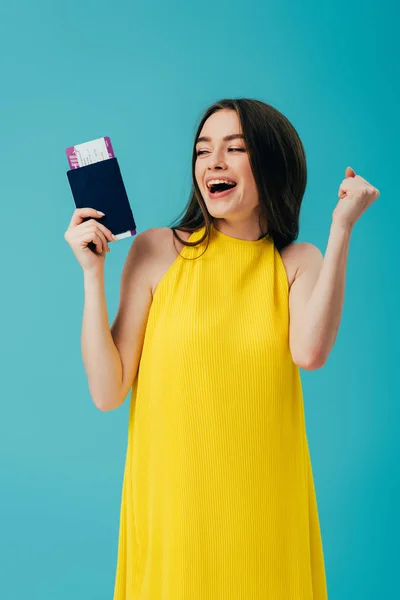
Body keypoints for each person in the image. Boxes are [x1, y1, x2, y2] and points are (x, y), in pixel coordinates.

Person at [64, 98, 380, 599]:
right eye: (203, 150)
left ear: (272, 164)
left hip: (263, 514)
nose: (214, 162)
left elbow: (311, 352)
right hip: (176, 519)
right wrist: (91, 275)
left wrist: (341, 227)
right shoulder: (156, 251)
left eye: (235, 148)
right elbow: (107, 392)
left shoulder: (297, 261)